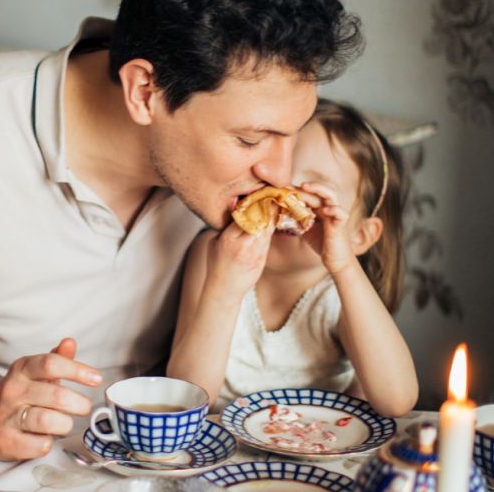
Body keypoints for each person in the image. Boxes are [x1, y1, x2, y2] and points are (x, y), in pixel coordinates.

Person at [0, 0, 364, 460]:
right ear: (144, 90)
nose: (279, 173)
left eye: (291, 135)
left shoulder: (221, 182)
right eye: (248, 140)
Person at [166, 99, 419, 417]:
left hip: (315, 449)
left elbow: (397, 400)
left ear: (360, 236)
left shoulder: (337, 294)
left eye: (314, 192)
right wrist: (224, 289)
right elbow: (184, 398)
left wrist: (343, 266)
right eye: (277, 182)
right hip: (224, 449)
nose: (286, 201)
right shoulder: (213, 256)